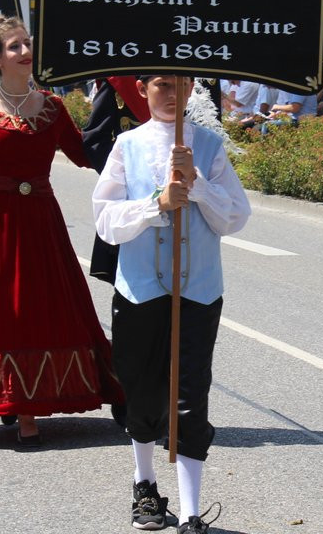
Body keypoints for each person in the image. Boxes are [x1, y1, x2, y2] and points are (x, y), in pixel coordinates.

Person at [0, 15, 124, 446]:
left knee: (43, 306)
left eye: (27, 43)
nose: (25, 51)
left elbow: (84, 154)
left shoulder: (51, 106)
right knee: (4, 314)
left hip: (40, 221)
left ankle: (41, 394)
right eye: (15, 46)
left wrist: (131, 143)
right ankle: (18, 403)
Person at [94, 74, 251, 534]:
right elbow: (105, 220)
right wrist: (156, 202)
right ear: (142, 89)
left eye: (181, 85)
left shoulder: (207, 145)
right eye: (162, 84)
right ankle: (144, 484)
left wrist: (198, 186)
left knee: (189, 394)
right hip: (140, 287)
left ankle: (190, 510)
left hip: (198, 288)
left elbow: (236, 217)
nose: (172, 95)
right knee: (141, 389)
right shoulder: (127, 144)